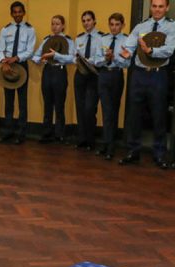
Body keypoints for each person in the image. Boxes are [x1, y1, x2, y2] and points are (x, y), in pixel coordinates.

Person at [118, 0, 175, 169]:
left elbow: (169, 50)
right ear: (151, 7)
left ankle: (159, 154)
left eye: (161, 6)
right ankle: (133, 151)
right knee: (134, 114)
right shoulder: (141, 26)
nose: (157, 9)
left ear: (167, 8)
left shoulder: (171, 26)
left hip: (158, 75)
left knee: (159, 115)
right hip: (139, 74)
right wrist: (125, 52)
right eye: (154, 6)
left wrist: (150, 51)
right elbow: (129, 44)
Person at [0, 1, 35, 145]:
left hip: (21, 66)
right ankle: (8, 132)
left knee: (22, 102)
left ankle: (21, 133)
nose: (17, 14)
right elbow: (0, 49)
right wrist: (4, 62)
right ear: (11, 14)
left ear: (24, 13)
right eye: (15, 12)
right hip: (7, 66)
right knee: (9, 102)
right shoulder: (5, 30)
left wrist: (16, 58)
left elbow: (30, 51)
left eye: (20, 11)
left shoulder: (30, 30)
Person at [32, 15, 74, 144]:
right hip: (48, 71)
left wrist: (56, 55)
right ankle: (46, 133)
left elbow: (71, 58)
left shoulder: (68, 41)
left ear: (63, 26)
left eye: (57, 24)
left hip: (60, 71)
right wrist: (41, 59)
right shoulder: (46, 40)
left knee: (59, 104)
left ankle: (60, 133)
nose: (54, 26)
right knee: (48, 104)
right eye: (53, 24)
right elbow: (35, 56)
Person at [93, 13, 128, 160]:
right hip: (103, 76)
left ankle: (110, 146)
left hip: (116, 75)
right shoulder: (103, 39)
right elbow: (96, 60)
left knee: (113, 111)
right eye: (111, 24)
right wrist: (105, 58)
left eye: (117, 24)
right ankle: (106, 143)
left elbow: (127, 63)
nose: (114, 27)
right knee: (106, 111)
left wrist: (115, 58)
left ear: (122, 25)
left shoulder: (126, 40)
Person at [73, 11, 101, 150]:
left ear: (94, 21)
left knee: (90, 108)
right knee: (80, 107)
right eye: (83, 20)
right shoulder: (79, 38)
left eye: (89, 20)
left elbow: (100, 58)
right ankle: (82, 139)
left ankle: (91, 140)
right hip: (80, 74)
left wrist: (91, 61)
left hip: (93, 75)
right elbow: (74, 57)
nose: (86, 23)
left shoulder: (102, 37)